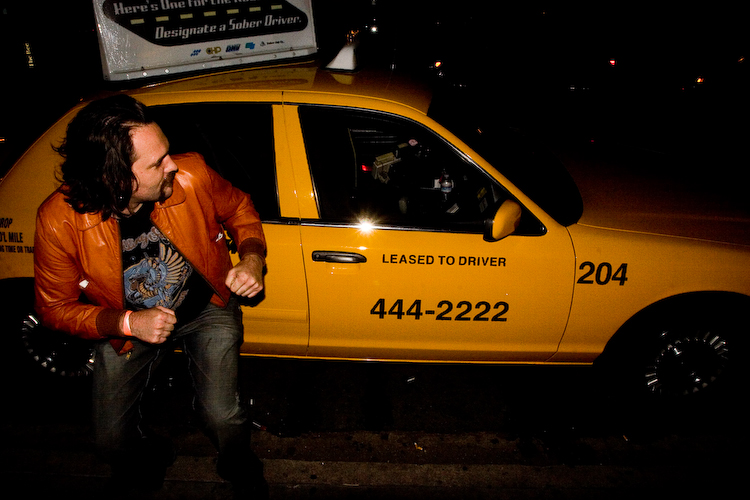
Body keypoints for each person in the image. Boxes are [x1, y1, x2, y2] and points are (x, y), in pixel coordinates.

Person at [33, 94, 269, 498]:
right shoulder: (58, 220)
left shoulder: (192, 174)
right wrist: (127, 322)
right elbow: (53, 308)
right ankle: (150, 456)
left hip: (207, 307)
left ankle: (238, 462)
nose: (172, 165)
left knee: (222, 416)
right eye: (157, 162)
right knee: (110, 441)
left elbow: (240, 208)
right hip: (129, 323)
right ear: (115, 178)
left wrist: (251, 258)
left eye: (167, 153)